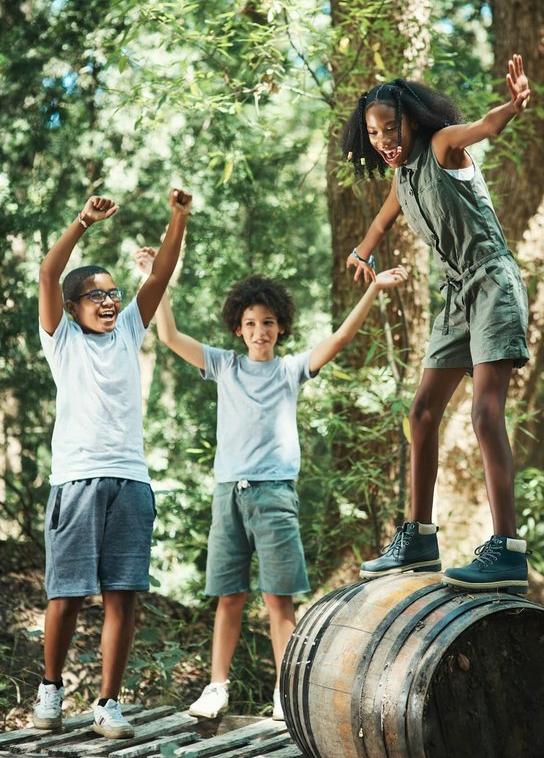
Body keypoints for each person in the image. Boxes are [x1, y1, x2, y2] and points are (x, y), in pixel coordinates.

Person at [135, 247, 407, 720]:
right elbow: (170, 334)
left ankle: (286, 694)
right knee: (229, 597)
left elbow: (340, 337)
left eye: (267, 322)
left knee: (279, 600)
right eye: (250, 323)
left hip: (275, 496)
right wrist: (159, 277)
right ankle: (217, 687)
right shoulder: (224, 365)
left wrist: (373, 289)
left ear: (280, 326)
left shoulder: (289, 370)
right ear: (237, 330)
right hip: (229, 496)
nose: (259, 331)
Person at [344, 54, 531, 594]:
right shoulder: (402, 177)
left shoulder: (445, 144)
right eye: (374, 133)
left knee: (485, 412)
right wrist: (363, 251)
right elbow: (384, 218)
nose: (383, 139)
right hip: (457, 294)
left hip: (492, 280)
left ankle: (507, 549)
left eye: (390, 127)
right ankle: (419, 537)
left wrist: (512, 108)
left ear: (413, 120)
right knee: (422, 411)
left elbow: (485, 125)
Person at [34, 188, 192, 739]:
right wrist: (82, 221)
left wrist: (178, 216)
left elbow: (162, 273)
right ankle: (50, 688)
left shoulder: (128, 328)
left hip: (130, 481)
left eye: (112, 294)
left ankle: (108, 702)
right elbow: (49, 272)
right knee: (67, 593)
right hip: (76, 481)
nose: (107, 303)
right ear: (74, 306)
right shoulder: (62, 342)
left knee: (122, 594)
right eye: (94, 296)